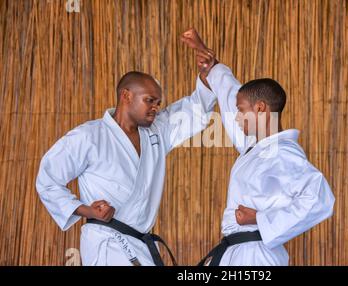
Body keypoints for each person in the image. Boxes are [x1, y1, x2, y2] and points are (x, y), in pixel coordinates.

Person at [35, 46, 217, 266]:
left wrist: (208, 76)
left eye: (158, 103)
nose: (155, 108)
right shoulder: (89, 136)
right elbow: (47, 180)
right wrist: (87, 210)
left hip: (141, 243)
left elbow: (192, 110)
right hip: (107, 240)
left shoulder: (156, 132)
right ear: (126, 96)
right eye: (149, 100)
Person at [181, 29, 335, 266]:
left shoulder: (282, 152)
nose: (236, 116)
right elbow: (230, 91)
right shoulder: (256, 148)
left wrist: (261, 218)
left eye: (241, 110)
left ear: (261, 109)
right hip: (238, 253)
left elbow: (320, 198)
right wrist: (212, 68)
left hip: (257, 256)